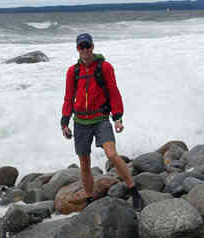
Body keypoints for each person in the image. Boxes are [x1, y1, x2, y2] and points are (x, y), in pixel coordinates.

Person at [61, 33, 144, 210]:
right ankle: (90, 200)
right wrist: (64, 122)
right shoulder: (72, 71)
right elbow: (68, 98)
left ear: (93, 46)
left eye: (87, 46)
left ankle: (134, 191)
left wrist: (118, 118)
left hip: (101, 119)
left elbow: (114, 92)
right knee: (84, 164)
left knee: (112, 155)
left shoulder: (104, 67)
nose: (85, 50)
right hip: (81, 122)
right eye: (81, 47)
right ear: (77, 49)